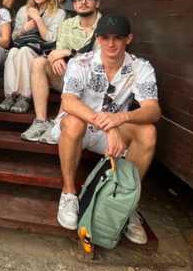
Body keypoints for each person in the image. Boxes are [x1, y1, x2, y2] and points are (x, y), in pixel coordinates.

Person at [53, 14, 160, 245]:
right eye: (105, 37)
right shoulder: (80, 62)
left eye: (118, 38)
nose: (111, 44)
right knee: (74, 121)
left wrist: (121, 118)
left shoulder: (140, 67)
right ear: (97, 39)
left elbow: (153, 110)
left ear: (128, 39)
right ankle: (69, 193)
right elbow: (68, 102)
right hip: (79, 128)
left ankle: (126, 201)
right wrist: (107, 124)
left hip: (114, 127)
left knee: (148, 131)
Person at [21, 0, 102, 143]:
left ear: (97, 3)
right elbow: (58, 52)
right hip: (66, 75)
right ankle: (41, 121)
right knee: (39, 63)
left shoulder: (105, 25)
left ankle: (58, 124)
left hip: (92, 82)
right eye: (79, 0)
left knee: (75, 66)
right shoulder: (67, 24)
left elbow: (99, 60)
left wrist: (69, 53)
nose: (83, 2)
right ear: (74, 5)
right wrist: (56, 57)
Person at [0, 0, 66, 114]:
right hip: (23, 46)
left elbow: (51, 39)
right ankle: (10, 96)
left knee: (24, 51)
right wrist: (24, 29)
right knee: (12, 52)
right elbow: (14, 36)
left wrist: (38, 19)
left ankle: (25, 96)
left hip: (44, 52)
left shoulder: (59, 13)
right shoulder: (24, 10)